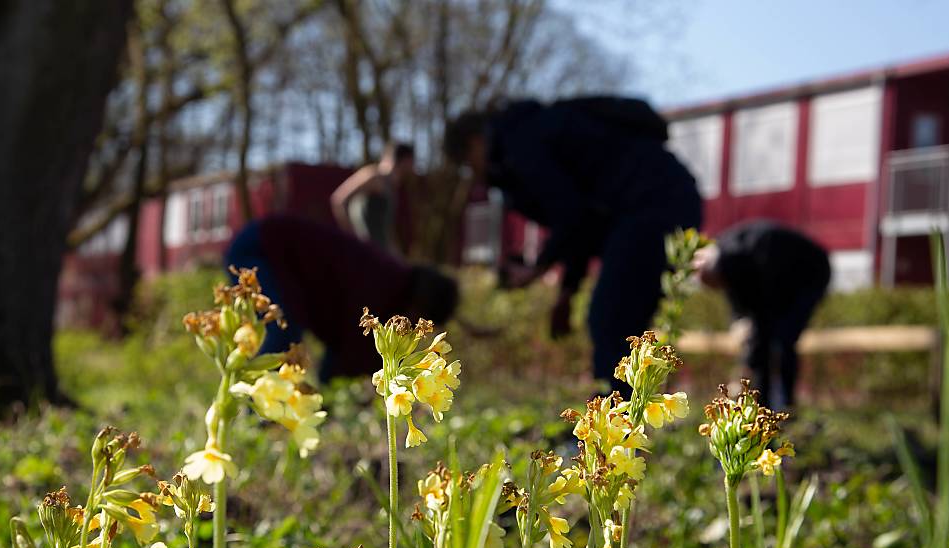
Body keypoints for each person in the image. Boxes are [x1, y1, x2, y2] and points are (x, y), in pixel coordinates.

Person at [443, 97, 702, 393]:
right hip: (662, 201)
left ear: (475, 142)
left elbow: (571, 215)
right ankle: (622, 420)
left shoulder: (520, 144)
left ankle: (613, 425)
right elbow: (583, 225)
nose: (473, 174)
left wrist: (537, 269)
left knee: (610, 319)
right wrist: (566, 291)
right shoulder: (524, 138)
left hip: (654, 203)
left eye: (466, 164)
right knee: (620, 321)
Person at [223, 214, 458, 381]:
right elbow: (350, 346)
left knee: (287, 329)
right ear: (421, 304)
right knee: (282, 329)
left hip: (270, 245)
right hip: (260, 247)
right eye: (422, 320)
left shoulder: (394, 283)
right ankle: (255, 414)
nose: (414, 328)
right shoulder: (381, 283)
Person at [691, 220, 831, 409]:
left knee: (783, 339)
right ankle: (762, 401)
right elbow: (737, 297)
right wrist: (738, 321)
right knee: (761, 343)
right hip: (778, 277)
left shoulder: (747, 258)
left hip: (809, 275)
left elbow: (762, 315)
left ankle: (780, 407)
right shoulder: (726, 256)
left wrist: (751, 359)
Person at [330, 142, 415, 256]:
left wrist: (397, 257)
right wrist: (352, 238)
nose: (413, 167)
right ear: (405, 160)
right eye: (411, 162)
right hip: (366, 254)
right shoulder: (374, 176)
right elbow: (339, 199)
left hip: (380, 253)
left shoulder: (392, 185)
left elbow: (385, 229)